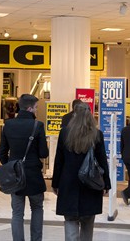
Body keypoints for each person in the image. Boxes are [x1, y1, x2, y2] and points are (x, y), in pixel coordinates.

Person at [52, 102, 111, 241]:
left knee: (70, 219)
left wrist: (56, 183)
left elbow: (59, 160)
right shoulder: (97, 134)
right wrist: (106, 184)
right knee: (88, 221)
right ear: (90, 115)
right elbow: (102, 161)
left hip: (69, 182)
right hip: (90, 183)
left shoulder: (65, 133)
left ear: (74, 115)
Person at [0, 94, 49, 241]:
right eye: (36, 108)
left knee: (17, 213)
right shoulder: (37, 126)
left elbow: (2, 153)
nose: (36, 110)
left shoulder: (8, 125)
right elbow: (43, 153)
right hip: (33, 174)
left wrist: (11, 165)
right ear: (29, 108)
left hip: (15, 176)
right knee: (37, 208)